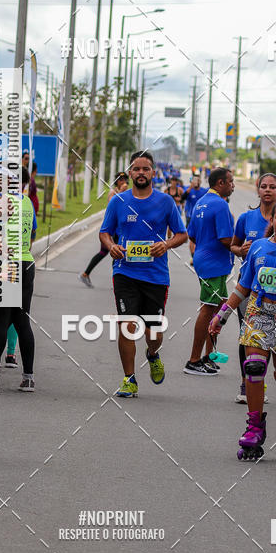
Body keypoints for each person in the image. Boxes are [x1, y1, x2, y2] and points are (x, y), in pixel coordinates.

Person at [209, 198, 276, 461]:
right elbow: (242, 287)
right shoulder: (257, 248)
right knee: (254, 369)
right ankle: (254, 427)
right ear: (272, 220)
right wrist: (221, 316)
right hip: (257, 314)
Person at [99, 152, 187, 398]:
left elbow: (182, 234)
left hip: (156, 276)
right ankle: (129, 379)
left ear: (153, 173)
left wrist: (166, 245)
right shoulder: (118, 201)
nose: (140, 173)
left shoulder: (166, 202)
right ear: (130, 172)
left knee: (153, 333)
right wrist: (111, 246)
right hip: (125, 272)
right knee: (127, 325)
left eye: (145, 169)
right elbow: (105, 232)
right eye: (136, 169)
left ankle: (152, 353)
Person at [0, 167, 37, 393]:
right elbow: (32, 234)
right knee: (23, 321)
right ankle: (29, 378)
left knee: (1, 321)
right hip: (26, 262)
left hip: (6, 263)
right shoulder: (27, 202)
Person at [230, 172, 276, 402]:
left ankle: (259, 382)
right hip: (247, 285)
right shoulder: (246, 218)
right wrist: (240, 251)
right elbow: (233, 245)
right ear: (258, 190)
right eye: (263, 186)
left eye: (272, 186)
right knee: (247, 335)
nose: (267, 190)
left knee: (267, 336)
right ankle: (245, 383)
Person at [185, 167, 235, 375]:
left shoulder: (201, 202)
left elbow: (193, 235)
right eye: (231, 182)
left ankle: (208, 355)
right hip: (213, 264)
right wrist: (242, 247)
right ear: (221, 183)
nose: (233, 185)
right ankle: (193, 360)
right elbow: (225, 239)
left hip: (207, 260)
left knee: (219, 309)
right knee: (208, 309)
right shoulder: (220, 205)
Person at [79, 172, 130, 288]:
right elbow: (114, 206)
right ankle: (116, 281)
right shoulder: (113, 192)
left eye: (125, 179)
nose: (123, 182)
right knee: (111, 252)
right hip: (111, 230)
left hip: (119, 229)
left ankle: (86, 274)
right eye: (120, 179)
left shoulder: (127, 193)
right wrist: (122, 191)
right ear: (116, 181)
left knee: (112, 253)